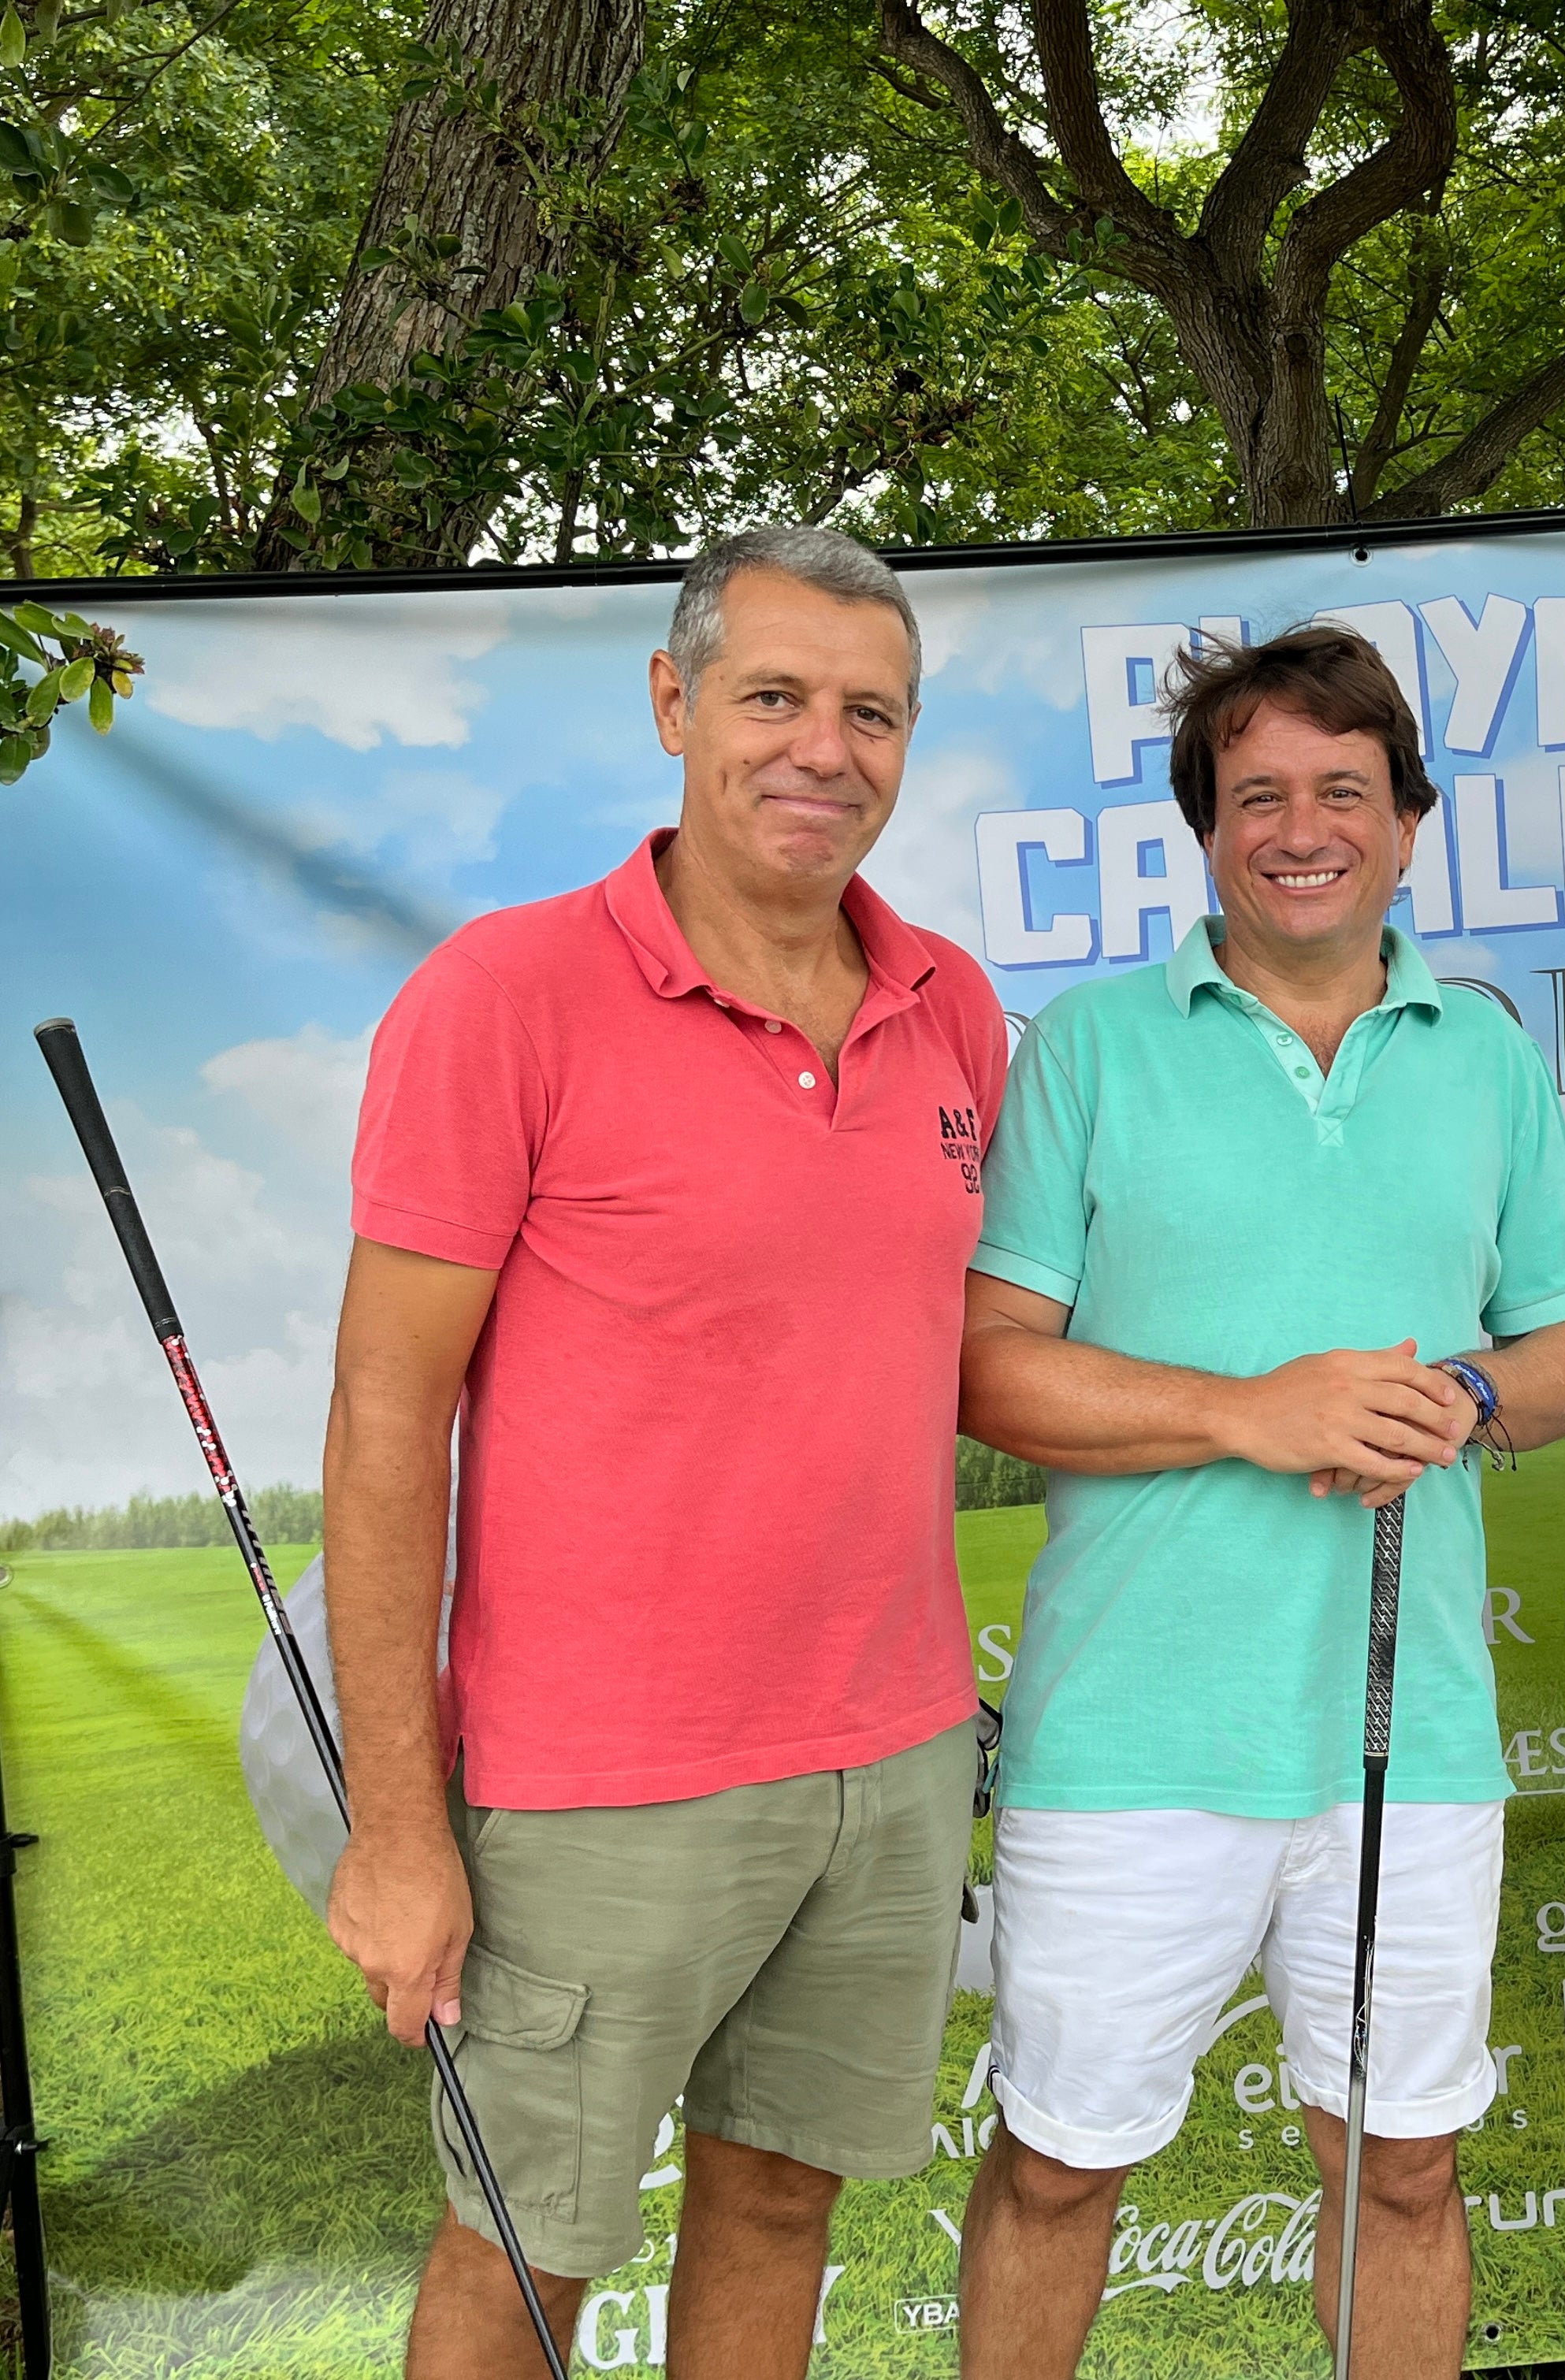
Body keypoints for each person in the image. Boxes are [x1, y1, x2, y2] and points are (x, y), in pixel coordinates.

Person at [325, 525, 1004, 2378]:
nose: (822, 747)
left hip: (888, 1748)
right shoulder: (507, 994)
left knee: (782, 2202)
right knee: (528, 2247)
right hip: (597, 1784)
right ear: (673, 702)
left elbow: (961, 1348)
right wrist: (400, 1829)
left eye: (870, 712)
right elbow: (388, 1422)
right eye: (774, 694)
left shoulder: (946, 1002)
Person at [951, 623, 1565, 2380]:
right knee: (1055, 2166)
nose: (1301, 826)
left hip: (1410, 1732)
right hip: (1129, 1732)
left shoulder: (1480, 1055)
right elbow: (989, 1364)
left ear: (1409, 819)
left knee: (1400, 2169)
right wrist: (1250, 1413)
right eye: (1258, 794)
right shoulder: (1092, 1044)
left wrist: (1469, 1393)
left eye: (1344, 788)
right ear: (1206, 827)